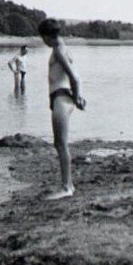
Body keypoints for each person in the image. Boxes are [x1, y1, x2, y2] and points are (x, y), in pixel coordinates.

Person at [39, 18, 85, 200]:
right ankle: (69, 184)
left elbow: (74, 77)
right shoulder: (64, 48)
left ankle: (66, 187)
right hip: (62, 97)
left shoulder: (58, 50)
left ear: (46, 36)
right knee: (60, 143)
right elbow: (78, 77)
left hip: (62, 97)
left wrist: (76, 97)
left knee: (61, 143)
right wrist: (78, 98)